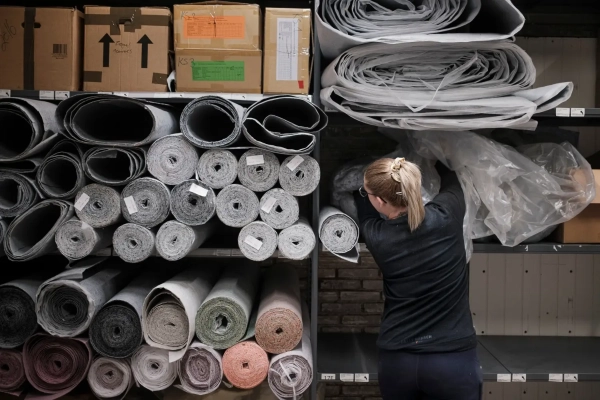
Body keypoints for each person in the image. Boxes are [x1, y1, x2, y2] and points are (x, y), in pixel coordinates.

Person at [354, 157, 481, 400]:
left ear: (380, 201)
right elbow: (453, 182)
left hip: (398, 361)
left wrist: (363, 192)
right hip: (452, 361)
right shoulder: (446, 215)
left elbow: (365, 212)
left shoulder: (378, 236)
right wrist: (437, 156)